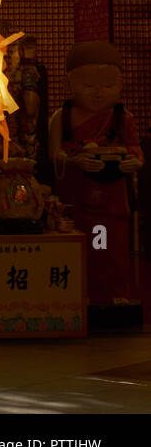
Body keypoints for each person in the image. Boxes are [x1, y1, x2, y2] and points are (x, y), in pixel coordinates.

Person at [49, 41, 142, 305]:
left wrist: (133, 163)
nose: (98, 93)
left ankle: (114, 292)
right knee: (81, 247)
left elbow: (136, 151)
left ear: (121, 85)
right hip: (76, 197)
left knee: (112, 248)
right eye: (88, 86)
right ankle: (82, 293)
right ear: (70, 85)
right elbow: (54, 154)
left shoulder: (123, 119)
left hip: (112, 198)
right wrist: (77, 162)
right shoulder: (62, 116)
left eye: (108, 86)